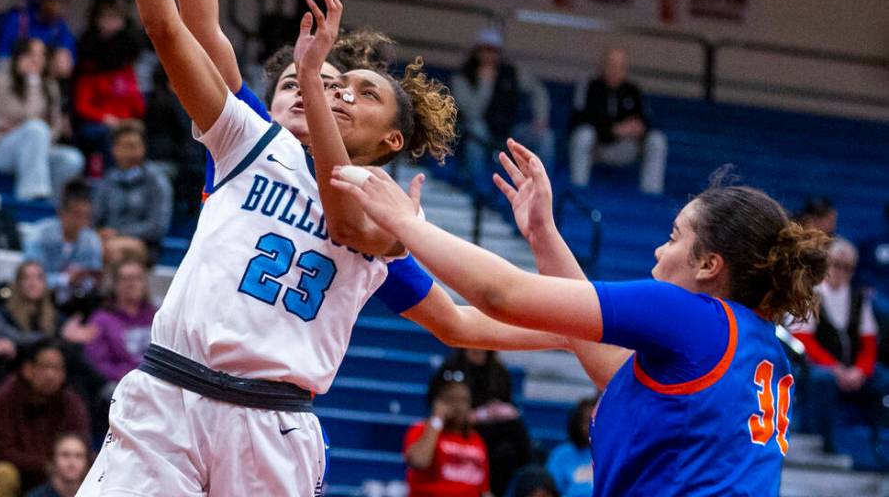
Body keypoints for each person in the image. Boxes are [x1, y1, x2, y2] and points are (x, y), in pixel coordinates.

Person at [61, 0, 564, 497]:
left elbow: (452, 317)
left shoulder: (386, 215)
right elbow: (177, 28)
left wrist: (571, 333)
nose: (335, 94)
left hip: (272, 425)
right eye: (330, 83)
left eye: (358, 91)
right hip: (168, 395)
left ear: (393, 139)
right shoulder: (246, 139)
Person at [329, 142, 832, 496]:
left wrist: (404, 224)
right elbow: (574, 345)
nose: (659, 251)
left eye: (675, 237)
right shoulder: (747, 345)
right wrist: (544, 235)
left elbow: (500, 293)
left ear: (708, 266)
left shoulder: (691, 315)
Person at [790, 237, 888, 451]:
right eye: (836, 265)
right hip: (820, 367)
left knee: (882, 379)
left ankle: (879, 442)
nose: (841, 271)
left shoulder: (858, 298)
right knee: (822, 379)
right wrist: (836, 370)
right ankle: (822, 441)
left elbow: (869, 341)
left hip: (852, 369)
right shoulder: (811, 294)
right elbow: (804, 340)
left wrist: (860, 371)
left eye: (848, 268)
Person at [0, 37, 85, 201]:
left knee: (72, 159)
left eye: (41, 55)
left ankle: (53, 206)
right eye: (31, 54)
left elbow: (55, 128)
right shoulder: (0, 81)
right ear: (19, 56)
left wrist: (34, 130)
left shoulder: (49, 86)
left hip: (33, 147)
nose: (36, 60)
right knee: (35, 129)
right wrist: (31, 82)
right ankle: (31, 197)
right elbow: (25, 114)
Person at [453, 28, 553, 203]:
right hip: (478, 135)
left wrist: (540, 118)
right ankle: (477, 186)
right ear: (477, 51)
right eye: (485, 50)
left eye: (494, 51)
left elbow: (539, 91)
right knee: (477, 127)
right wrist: (485, 84)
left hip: (509, 132)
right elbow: (473, 113)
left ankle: (543, 187)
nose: (489, 56)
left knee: (545, 136)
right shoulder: (462, 77)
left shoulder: (511, 72)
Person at [0, 339, 91, 495]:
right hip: (16, 473)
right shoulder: (7, 397)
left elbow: (81, 443)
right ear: (28, 369)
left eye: (57, 368)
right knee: (5, 474)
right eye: (46, 367)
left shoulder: (71, 401)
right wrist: (45, 465)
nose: (51, 374)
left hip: (56, 477)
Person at [568, 48, 666, 194]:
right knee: (583, 135)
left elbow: (645, 121)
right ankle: (578, 190)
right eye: (611, 65)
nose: (615, 70)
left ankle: (651, 197)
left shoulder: (633, 90)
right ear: (602, 66)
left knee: (657, 140)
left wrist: (639, 128)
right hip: (597, 146)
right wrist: (614, 129)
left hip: (626, 147)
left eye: (620, 66)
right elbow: (579, 120)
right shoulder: (590, 87)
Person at [436, 349, 532, 496]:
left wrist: (498, 412)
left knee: (509, 444)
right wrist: (479, 414)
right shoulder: (451, 368)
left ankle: (529, 471)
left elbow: (507, 403)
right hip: (460, 427)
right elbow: (438, 405)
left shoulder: (499, 372)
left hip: (491, 434)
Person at [92, 120, 173, 264]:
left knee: (111, 249)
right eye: (125, 146)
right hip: (108, 239)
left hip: (145, 244)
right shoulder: (108, 179)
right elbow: (96, 217)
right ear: (114, 149)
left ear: (143, 148)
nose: (130, 152)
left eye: (135, 146)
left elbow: (158, 226)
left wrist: (119, 233)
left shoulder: (156, 180)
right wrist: (99, 232)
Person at [73, 1, 145, 162]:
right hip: (97, 125)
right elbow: (82, 106)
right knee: (109, 134)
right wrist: (105, 118)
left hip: (124, 123)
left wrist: (128, 118)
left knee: (137, 132)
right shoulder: (91, 70)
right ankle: (112, 177)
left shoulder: (127, 72)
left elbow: (139, 108)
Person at [404, 374, 492, 497]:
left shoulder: (476, 439)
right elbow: (419, 461)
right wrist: (437, 420)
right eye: (452, 399)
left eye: (464, 400)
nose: (459, 406)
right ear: (438, 402)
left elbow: (484, 491)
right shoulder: (421, 429)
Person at [25, 179, 103, 300]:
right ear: (61, 212)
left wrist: (83, 280)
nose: (82, 222)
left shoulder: (92, 240)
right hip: (41, 298)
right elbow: (30, 277)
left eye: (86, 216)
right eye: (77, 215)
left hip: (76, 300)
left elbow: (94, 279)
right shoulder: (39, 235)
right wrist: (65, 279)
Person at [83, 260, 157, 388]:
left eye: (137, 278)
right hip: (121, 384)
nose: (131, 284)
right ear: (115, 284)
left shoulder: (156, 316)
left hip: (155, 382)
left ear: (145, 284)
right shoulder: (101, 320)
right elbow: (99, 362)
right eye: (126, 279)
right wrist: (126, 376)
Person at [0, 0, 78, 59]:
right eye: (58, 4)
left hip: (45, 74)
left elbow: (68, 64)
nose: (61, 11)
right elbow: (2, 56)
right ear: (44, 1)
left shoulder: (62, 32)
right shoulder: (18, 20)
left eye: (65, 6)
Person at [0, 260, 60, 349]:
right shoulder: (4, 314)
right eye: (26, 278)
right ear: (18, 283)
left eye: (38, 278)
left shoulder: (55, 316)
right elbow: (17, 339)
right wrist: (59, 336)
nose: (33, 283)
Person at [544, 396, 597, 497]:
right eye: (587, 421)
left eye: (596, 420)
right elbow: (550, 491)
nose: (592, 425)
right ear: (577, 423)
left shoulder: (611, 455)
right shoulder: (561, 454)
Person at [26, 433, 91, 497]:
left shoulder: (96, 493)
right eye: (65, 455)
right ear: (53, 459)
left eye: (79, 456)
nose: (72, 463)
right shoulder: (35, 495)